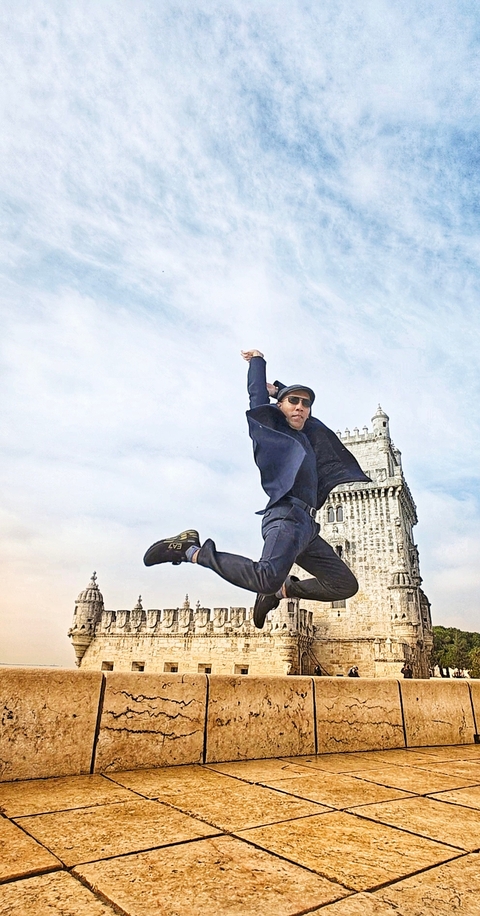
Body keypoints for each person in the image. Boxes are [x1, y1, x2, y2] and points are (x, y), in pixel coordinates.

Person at [143, 350, 370, 629]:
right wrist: (257, 364)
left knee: (344, 585)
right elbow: (257, 399)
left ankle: (282, 591)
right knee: (265, 577)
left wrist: (281, 389)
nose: (300, 407)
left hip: (308, 527)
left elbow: (298, 410)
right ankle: (189, 550)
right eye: (293, 401)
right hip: (286, 517)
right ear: (278, 408)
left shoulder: (309, 435)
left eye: (306, 403)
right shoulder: (271, 432)